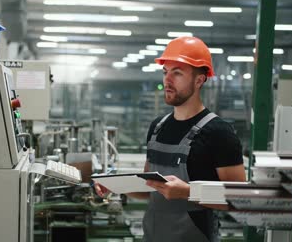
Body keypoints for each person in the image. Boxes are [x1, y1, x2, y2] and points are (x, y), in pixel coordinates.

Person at [95, 36, 246, 242]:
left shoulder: (219, 132)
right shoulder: (158, 127)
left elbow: (240, 200)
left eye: (177, 73)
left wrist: (188, 192)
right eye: (165, 72)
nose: (167, 80)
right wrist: (117, 185)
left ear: (199, 80)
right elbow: (150, 188)